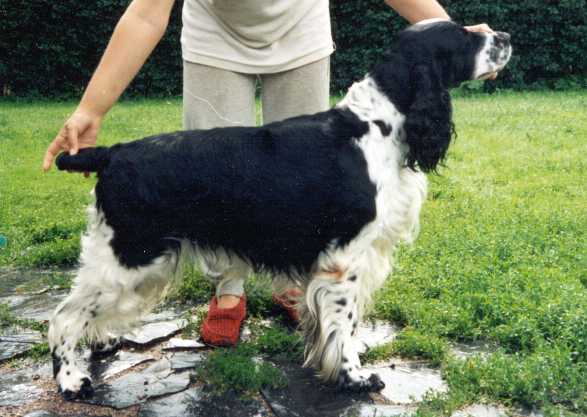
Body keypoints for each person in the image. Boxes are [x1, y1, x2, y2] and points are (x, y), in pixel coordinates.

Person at [42, 0, 494, 347]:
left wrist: (455, 38)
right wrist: (91, 108)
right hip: (215, 37)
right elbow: (145, 15)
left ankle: (296, 289)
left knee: (311, 192)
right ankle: (227, 292)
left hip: (301, 32)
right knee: (210, 179)